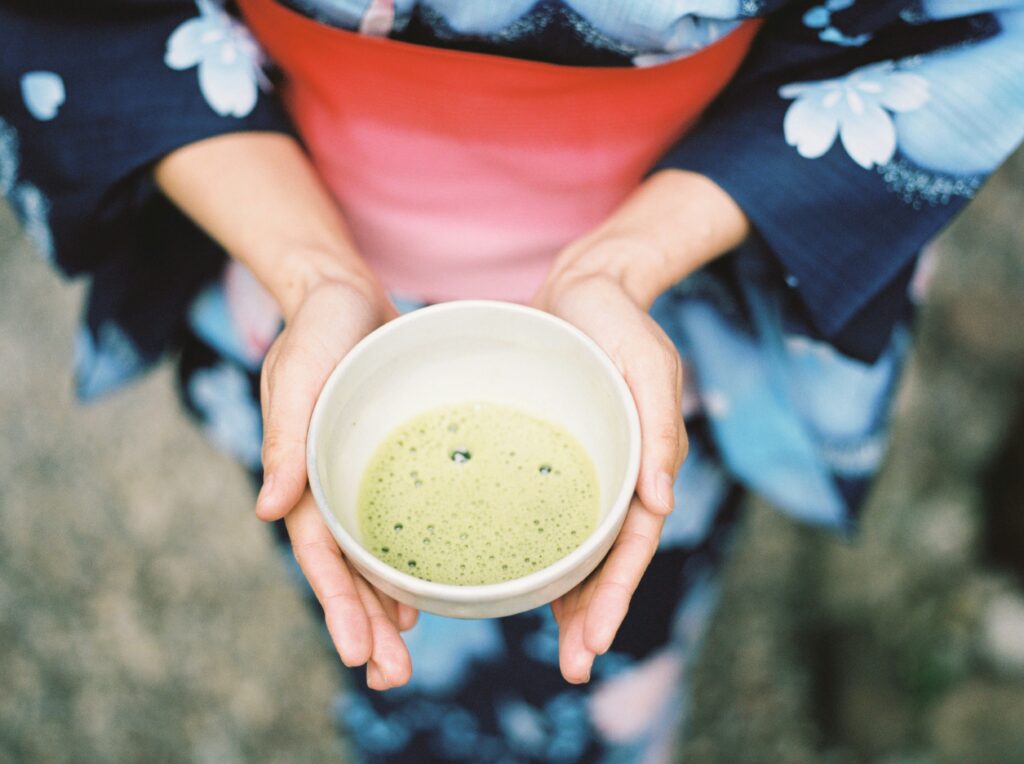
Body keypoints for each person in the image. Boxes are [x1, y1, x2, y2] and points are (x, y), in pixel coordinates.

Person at [2, 0, 1023, 760]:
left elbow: (956, 29)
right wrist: (313, 272)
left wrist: (619, 264)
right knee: (376, 621)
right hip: (297, 277)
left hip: (659, 307)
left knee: (623, 636)